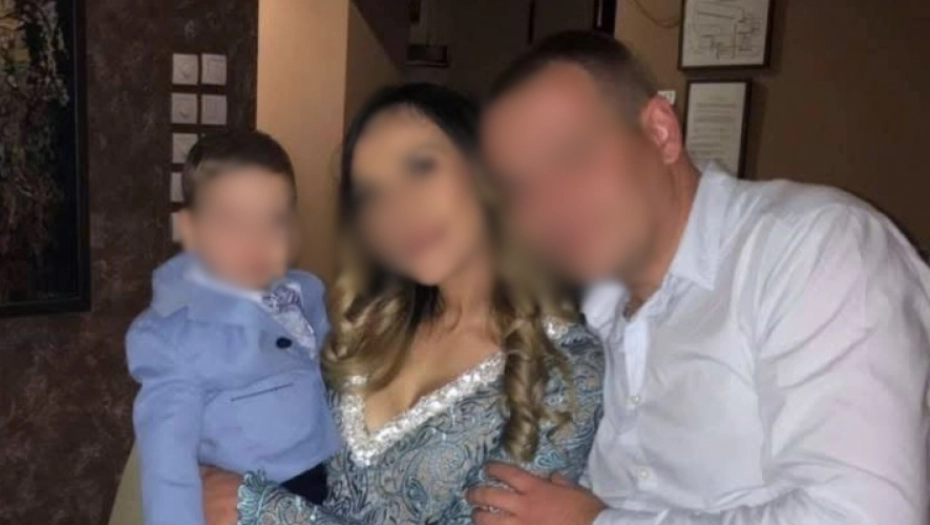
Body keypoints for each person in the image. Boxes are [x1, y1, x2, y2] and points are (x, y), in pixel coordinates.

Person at [468, 31, 930, 525]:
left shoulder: (814, 247)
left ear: (660, 132)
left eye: (572, 156)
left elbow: (864, 516)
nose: (549, 206)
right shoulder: (586, 312)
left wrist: (595, 523)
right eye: (519, 187)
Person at [201, 84, 605, 525]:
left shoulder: (565, 364)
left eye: (419, 167)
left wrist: (259, 510)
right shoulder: (360, 328)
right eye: (373, 193)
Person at [127, 131, 340, 525]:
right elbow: (167, 461)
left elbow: (342, 368)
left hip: (330, 484)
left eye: (274, 219)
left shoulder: (306, 293)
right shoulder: (175, 336)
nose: (256, 240)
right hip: (248, 499)